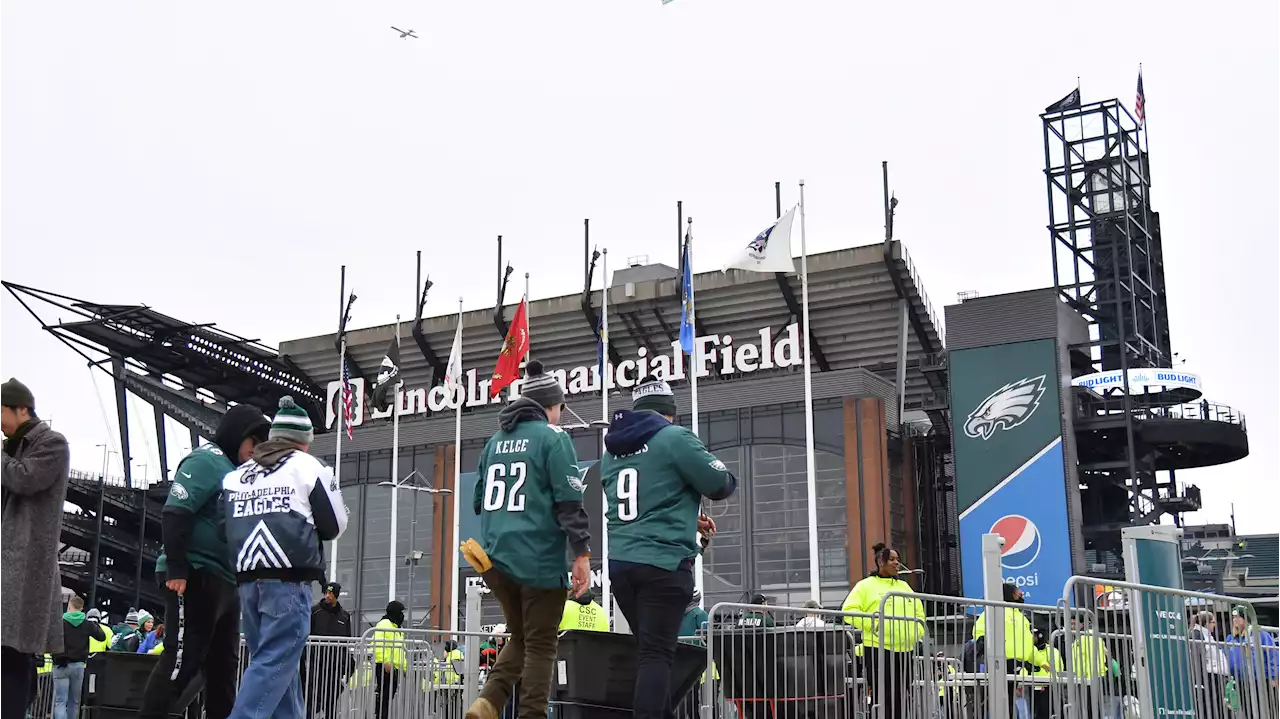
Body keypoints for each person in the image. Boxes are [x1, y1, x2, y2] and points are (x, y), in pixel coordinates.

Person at [461, 360, 591, 719]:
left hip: (495, 561)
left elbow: (477, 501)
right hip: (538, 562)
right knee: (541, 644)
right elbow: (569, 501)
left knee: (520, 637)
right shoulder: (554, 439)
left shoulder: (493, 443)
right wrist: (581, 554)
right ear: (551, 407)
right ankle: (532, 714)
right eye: (560, 409)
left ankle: (487, 702)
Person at [601, 377, 737, 719]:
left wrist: (688, 518)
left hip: (621, 565)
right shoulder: (674, 438)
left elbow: (644, 499)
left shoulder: (612, 451)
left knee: (650, 653)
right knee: (657, 655)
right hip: (663, 562)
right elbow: (720, 484)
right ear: (669, 413)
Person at [139, 404, 272, 719]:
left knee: (223, 668)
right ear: (237, 436)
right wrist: (177, 569)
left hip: (225, 581)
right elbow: (175, 512)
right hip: (195, 575)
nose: (255, 452)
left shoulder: (238, 474)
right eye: (253, 443)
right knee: (181, 661)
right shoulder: (207, 461)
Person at [222, 397, 349, 719]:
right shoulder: (308, 467)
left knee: (280, 672)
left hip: (247, 581)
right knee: (275, 664)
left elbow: (224, 524)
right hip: (289, 581)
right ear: (304, 441)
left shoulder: (237, 475)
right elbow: (335, 525)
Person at [0, 378, 71, 718]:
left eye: (0, 411)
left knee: (15, 652)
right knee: (9, 653)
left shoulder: (52, 443)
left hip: (26, 568)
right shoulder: (11, 448)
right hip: (7, 566)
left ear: (21, 408)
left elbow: (24, 479)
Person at [842, 543, 926, 719]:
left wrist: (916, 632)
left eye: (898, 560)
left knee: (903, 695)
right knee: (883, 695)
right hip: (878, 649)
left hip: (905, 651)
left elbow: (919, 614)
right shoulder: (865, 586)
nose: (897, 563)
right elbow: (849, 610)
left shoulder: (905, 587)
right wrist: (874, 625)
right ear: (881, 562)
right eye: (892, 559)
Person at [305, 582, 354, 719]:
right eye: (326, 593)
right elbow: (306, 636)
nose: (327, 596)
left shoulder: (344, 616)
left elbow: (346, 641)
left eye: (331, 593)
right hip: (317, 665)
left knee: (331, 701)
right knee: (312, 699)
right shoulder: (315, 612)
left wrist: (347, 665)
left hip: (335, 666)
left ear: (336, 595)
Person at [51, 596, 105, 719]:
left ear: (69, 606)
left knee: (60, 701)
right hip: (79, 665)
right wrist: (94, 623)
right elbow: (101, 636)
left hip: (60, 664)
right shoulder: (87, 624)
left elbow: (51, 640)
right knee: (74, 702)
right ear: (81, 608)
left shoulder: (60, 622)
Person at [1190, 610, 1229, 717]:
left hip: (1213, 677)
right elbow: (1196, 659)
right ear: (1207, 623)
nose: (1215, 625)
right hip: (1207, 678)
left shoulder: (1206, 635)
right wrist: (1199, 681)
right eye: (1213, 623)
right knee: (1210, 708)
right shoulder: (1197, 635)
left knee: (1216, 708)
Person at [372, 602, 407, 719]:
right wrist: (385, 661)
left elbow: (401, 649)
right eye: (401, 612)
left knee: (388, 697)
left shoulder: (397, 628)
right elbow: (378, 643)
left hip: (395, 667)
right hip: (385, 666)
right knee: (384, 697)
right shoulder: (384, 624)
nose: (402, 615)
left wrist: (405, 667)